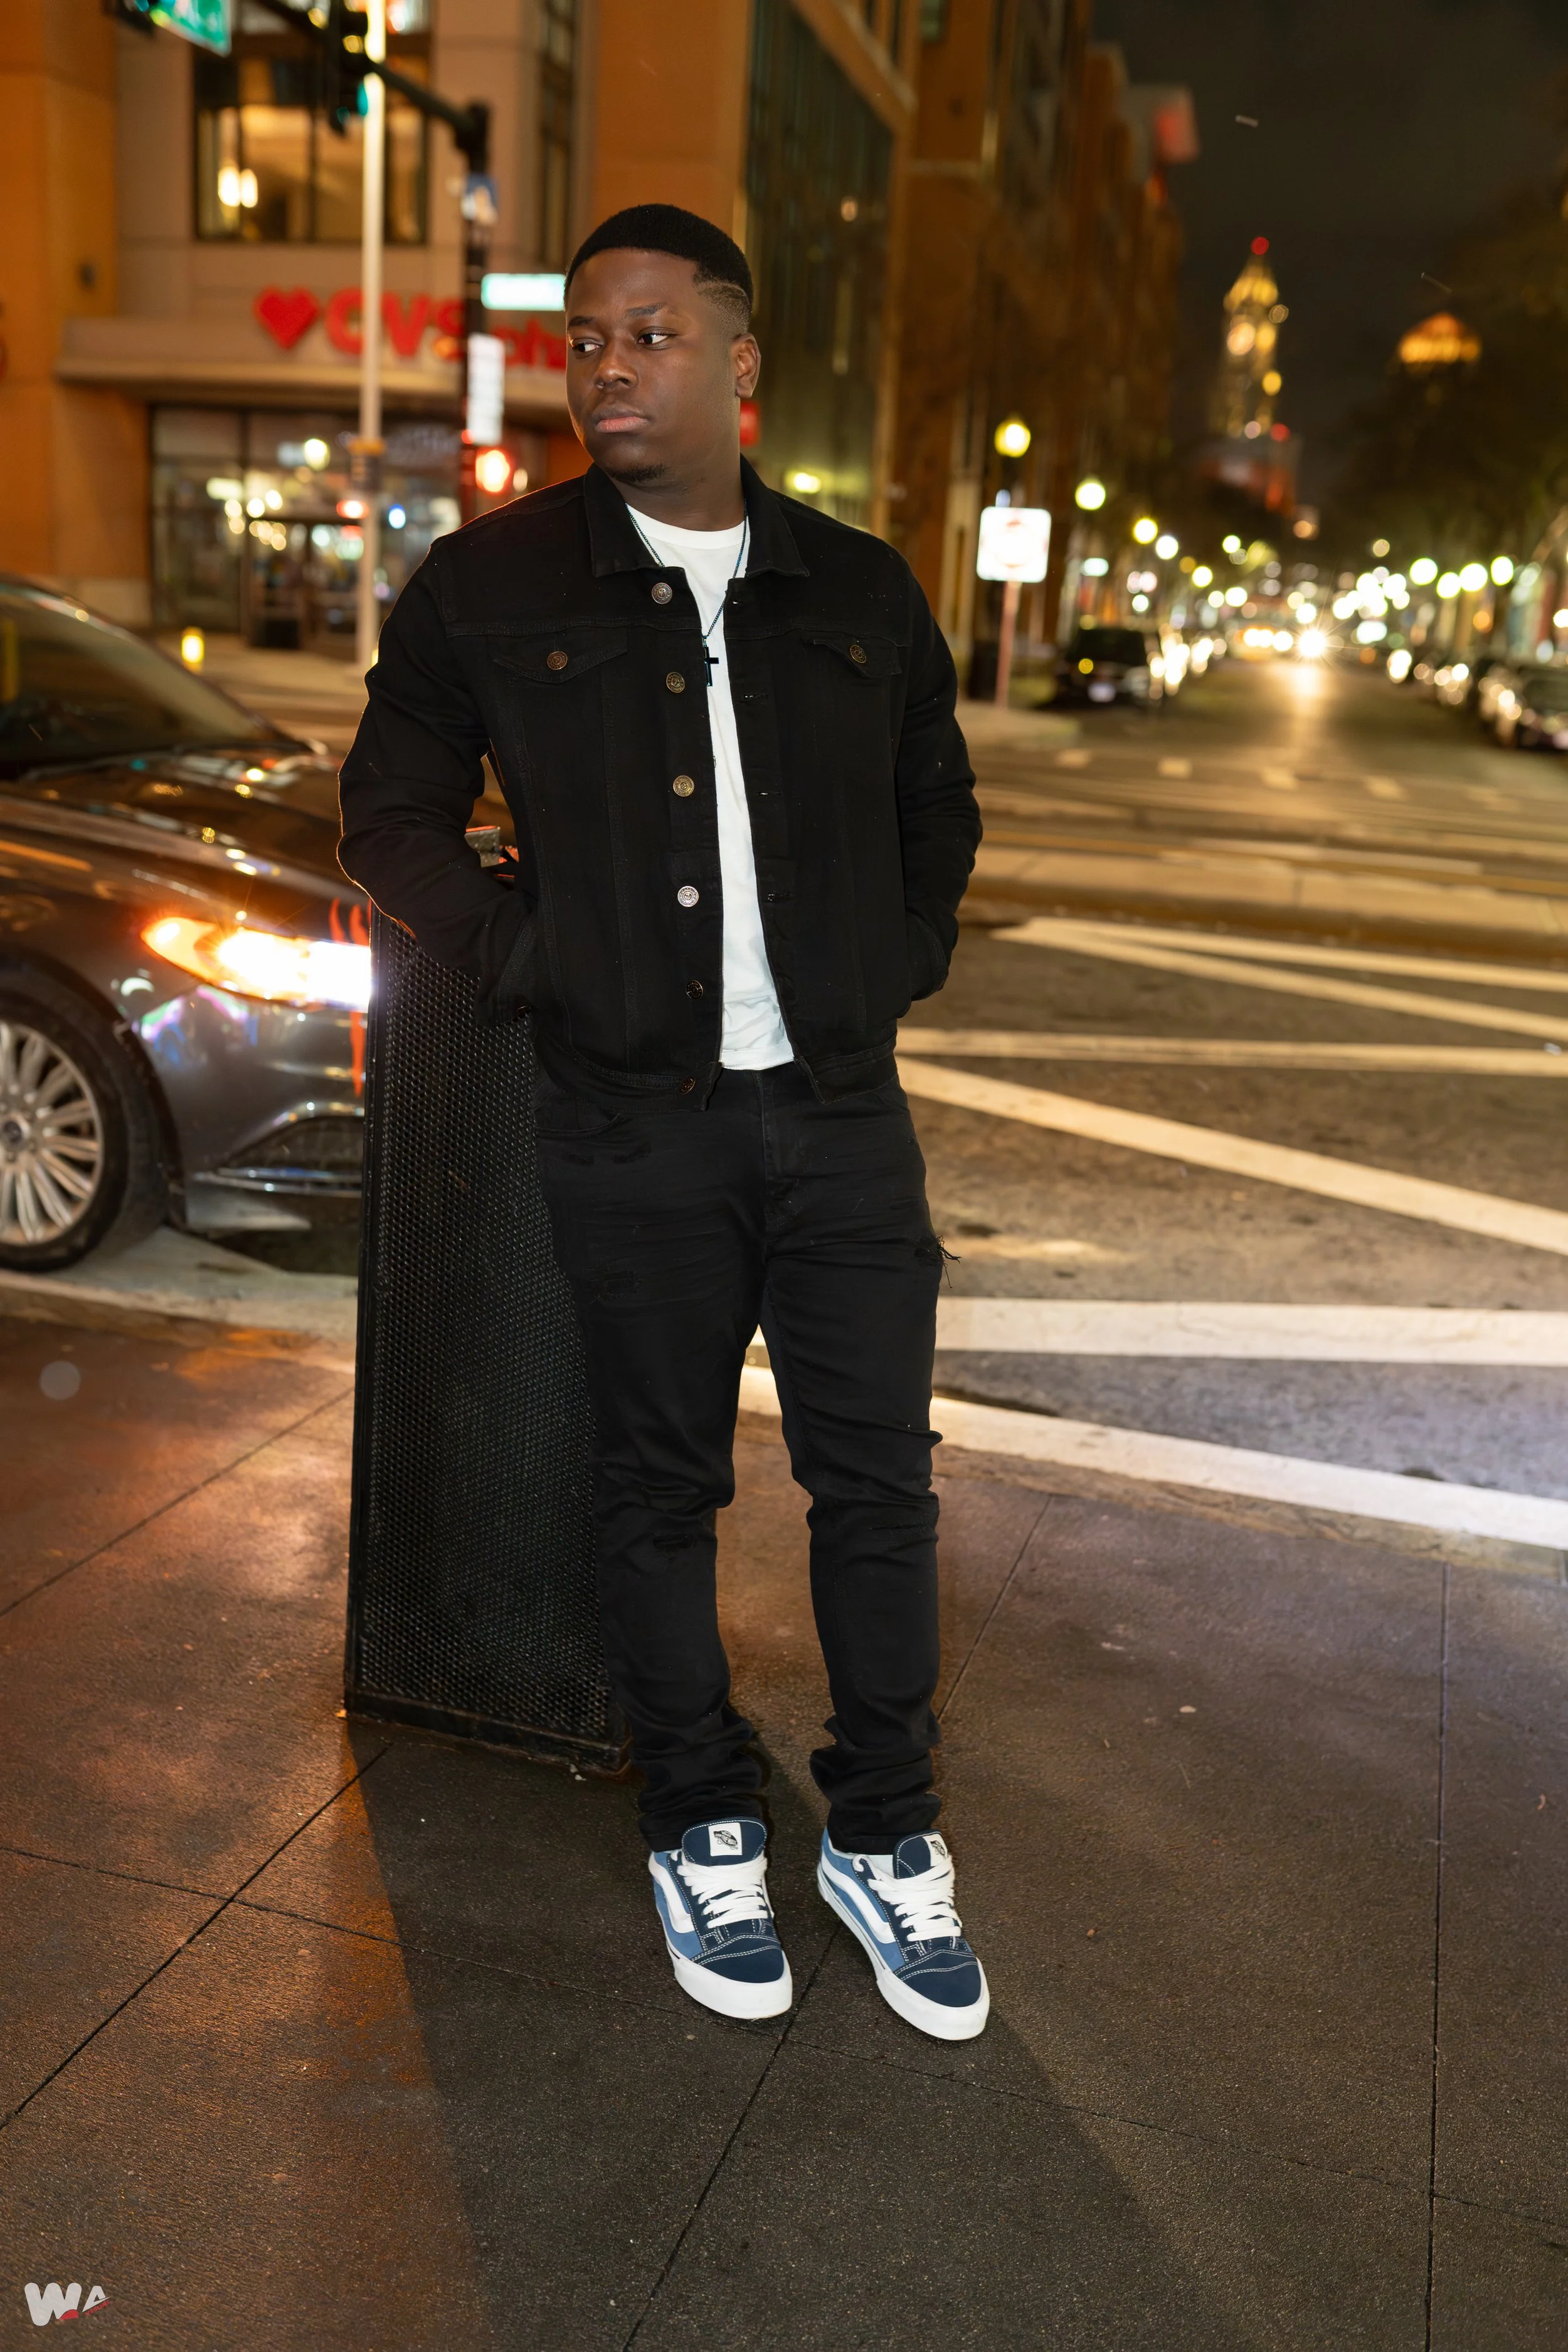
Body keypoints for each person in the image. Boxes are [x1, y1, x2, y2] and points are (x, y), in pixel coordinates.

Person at [339, 204, 986, 2042]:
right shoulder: (491, 582)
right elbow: (387, 812)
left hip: (844, 1121)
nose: (607, 368)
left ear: (738, 362)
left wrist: (895, 955)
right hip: (632, 1124)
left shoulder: (857, 586)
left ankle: (887, 1830)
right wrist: (533, 964)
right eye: (583, 341)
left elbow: (937, 804)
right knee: (655, 1488)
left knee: (879, 1482)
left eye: (648, 335)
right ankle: (698, 1811)